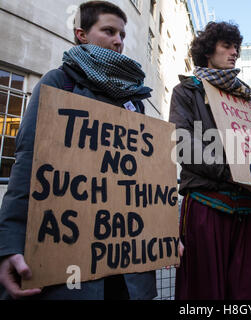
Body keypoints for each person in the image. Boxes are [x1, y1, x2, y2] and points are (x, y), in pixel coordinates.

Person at [0, 1, 156, 300]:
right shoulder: (59, 83)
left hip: (126, 260)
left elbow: (145, 179)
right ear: (81, 34)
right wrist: (8, 245)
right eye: (109, 31)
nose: (118, 41)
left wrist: (159, 232)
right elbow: (28, 164)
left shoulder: (134, 100)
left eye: (122, 34)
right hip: (69, 258)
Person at [169, 21, 251, 300]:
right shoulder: (186, 92)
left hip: (250, 209)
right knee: (205, 292)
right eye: (227, 46)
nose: (234, 53)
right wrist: (236, 173)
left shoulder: (248, 99)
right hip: (207, 207)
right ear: (208, 51)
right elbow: (182, 145)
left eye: (237, 48)